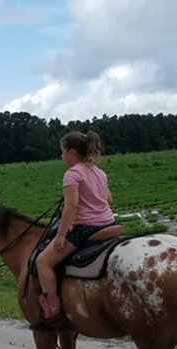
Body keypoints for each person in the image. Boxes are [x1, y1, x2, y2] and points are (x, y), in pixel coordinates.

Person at [32, 131, 116, 331]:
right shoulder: (99, 172)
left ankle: (52, 311)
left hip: (86, 228)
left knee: (43, 262)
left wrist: (61, 236)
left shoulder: (73, 174)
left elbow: (71, 206)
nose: (61, 157)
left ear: (71, 152)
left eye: (62, 152)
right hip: (109, 223)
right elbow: (109, 201)